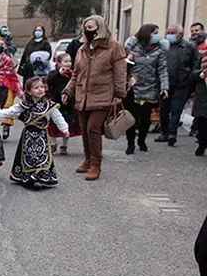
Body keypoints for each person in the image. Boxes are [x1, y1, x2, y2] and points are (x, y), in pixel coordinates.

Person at [62, 15, 127, 181]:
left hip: (103, 95)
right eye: (86, 27)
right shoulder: (82, 49)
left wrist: (119, 94)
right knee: (84, 130)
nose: (87, 31)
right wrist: (67, 91)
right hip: (82, 96)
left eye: (91, 27)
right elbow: (76, 74)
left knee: (93, 128)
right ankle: (88, 159)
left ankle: (96, 164)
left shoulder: (114, 47)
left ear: (100, 28)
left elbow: (120, 73)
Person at [0, 77, 69, 188]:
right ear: (29, 91)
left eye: (42, 87)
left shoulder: (49, 105)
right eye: (36, 88)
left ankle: (40, 177)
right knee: (28, 156)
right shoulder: (24, 104)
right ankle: (29, 177)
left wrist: (64, 129)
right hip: (28, 136)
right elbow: (11, 111)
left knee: (42, 156)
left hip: (42, 135)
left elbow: (57, 117)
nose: (40, 89)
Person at [123, 24, 169, 155]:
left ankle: (141, 140)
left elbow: (162, 70)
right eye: (154, 33)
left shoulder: (159, 50)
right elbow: (121, 66)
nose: (156, 36)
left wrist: (165, 87)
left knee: (146, 120)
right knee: (131, 119)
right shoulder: (133, 49)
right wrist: (128, 60)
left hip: (150, 88)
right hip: (133, 88)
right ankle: (130, 143)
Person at [160, 25, 199, 145]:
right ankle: (164, 132)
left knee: (176, 110)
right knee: (163, 110)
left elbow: (195, 64)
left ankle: (172, 133)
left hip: (181, 84)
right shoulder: (164, 46)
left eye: (173, 33)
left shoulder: (189, 46)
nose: (170, 35)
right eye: (169, 32)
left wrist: (190, 77)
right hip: (165, 84)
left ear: (180, 34)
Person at [46, 52, 80, 155]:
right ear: (59, 63)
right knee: (53, 123)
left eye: (69, 61)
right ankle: (53, 144)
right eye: (65, 61)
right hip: (56, 102)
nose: (68, 63)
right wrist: (58, 74)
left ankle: (64, 145)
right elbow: (49, 82)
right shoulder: (53, 73)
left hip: (69, 103)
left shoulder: (72, 74)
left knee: (68, 123)